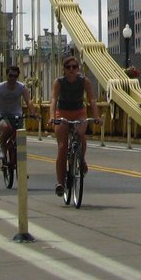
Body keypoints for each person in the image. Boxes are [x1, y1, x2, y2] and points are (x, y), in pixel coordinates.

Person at [48, 56, 98, 195]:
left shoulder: (84, 81)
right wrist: (52, 117)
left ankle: (81, 160)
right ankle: (60, 183)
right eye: (68, 67)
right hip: (62, 113)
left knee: (81, 133)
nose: (71, 70)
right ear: (64, 69)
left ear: (78, 68)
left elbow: (92, 100)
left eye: (74, 67)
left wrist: (96, 116)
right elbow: (53, 100)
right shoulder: (58, 82)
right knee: (63, 147)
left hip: (79, 112)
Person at [0, 66, 32, 163]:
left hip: (17, 115)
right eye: (10, 76)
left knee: (20, 140)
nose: (12, 78)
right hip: (3, 115)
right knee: (7, 128)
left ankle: (21, 169)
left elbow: (28, 101)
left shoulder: (21, 87)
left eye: (15, 76)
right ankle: (1, 147)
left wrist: (33, 112)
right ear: (6, 76)